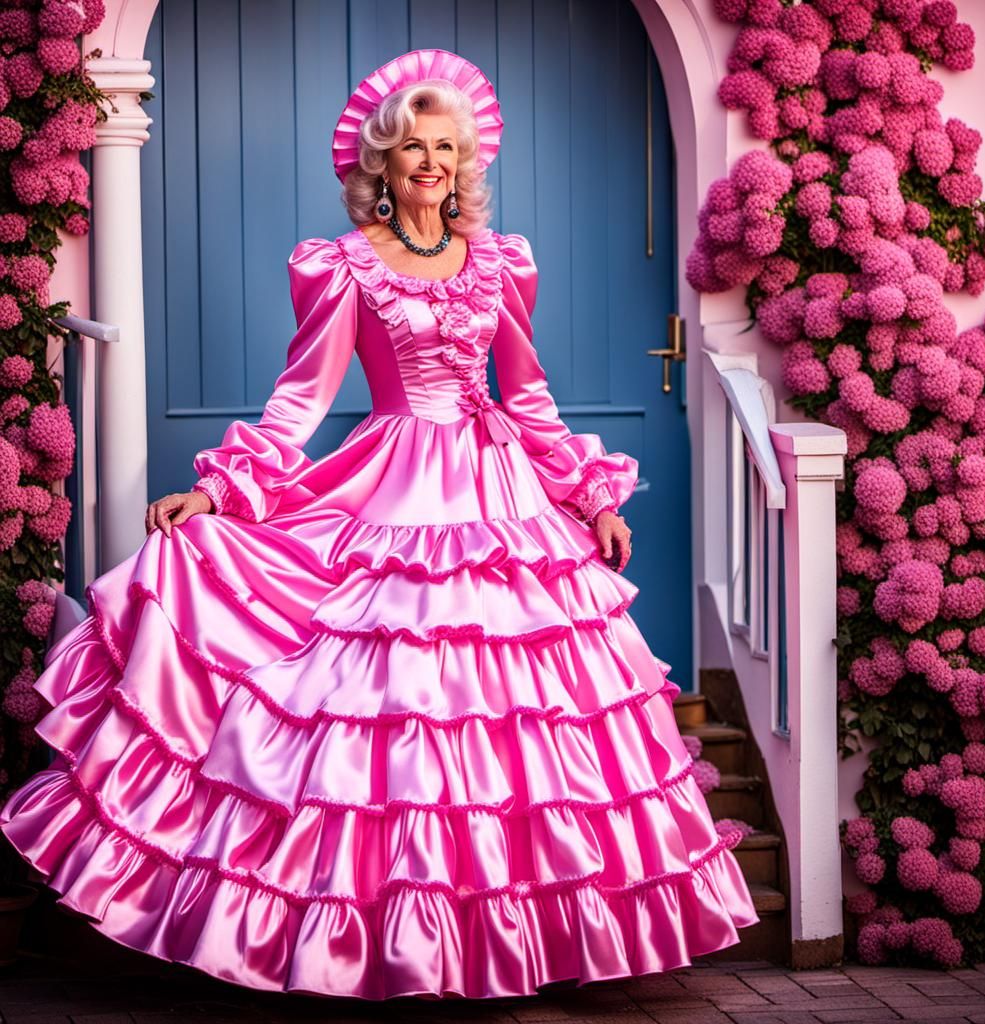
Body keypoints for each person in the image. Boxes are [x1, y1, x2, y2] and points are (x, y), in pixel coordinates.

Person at [0, 49, 757, 1000]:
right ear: (382, 166)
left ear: (465, 161)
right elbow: (299, 402)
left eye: (447, 146)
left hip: (500, 494)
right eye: (413, 148)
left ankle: (509, 939)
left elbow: (527, 397)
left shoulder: (500, 263)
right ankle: (395, 940)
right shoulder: (346, 267)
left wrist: (589, 494)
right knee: (394, 706)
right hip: (395, 480)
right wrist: (223, 493)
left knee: (517, 717)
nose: (432, 163)